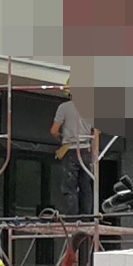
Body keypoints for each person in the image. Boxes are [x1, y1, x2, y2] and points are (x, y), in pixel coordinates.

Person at [50, 77, 98, 215]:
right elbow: (96, 132)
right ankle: (87, 217)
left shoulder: (64, 108)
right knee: (85, 186)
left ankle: (73, 218)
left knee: (70, 186)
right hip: (85, 151)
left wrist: (61, 137)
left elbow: (53, 131)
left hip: (70, 150)